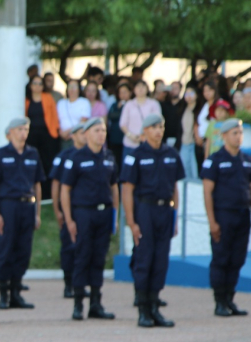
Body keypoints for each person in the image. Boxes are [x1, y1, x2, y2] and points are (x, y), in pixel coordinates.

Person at [120, 115, 183, 327]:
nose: (158, 131)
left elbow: (175, 188)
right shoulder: (136, 155)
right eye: (154, 127)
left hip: (165, 210)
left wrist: (175, 217)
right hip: (145, 210)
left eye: (161, 127)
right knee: (144, 259)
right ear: (145, 130)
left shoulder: (171, 154)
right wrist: (131, 221)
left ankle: (155, 307)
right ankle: (143, 310)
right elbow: (127, 190)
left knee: (161, 260)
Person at [60, 118, 120, 321]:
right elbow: (65, 190)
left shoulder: (109, 157)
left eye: (103, 130)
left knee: (99, 258)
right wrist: (69, 219)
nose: (101, 134)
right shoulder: (76, 158)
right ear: (86, 134)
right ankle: (78, 304)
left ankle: (96, 303)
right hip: (83, 214)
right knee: (82, 257)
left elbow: (114, 187)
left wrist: (115, 215)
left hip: (104, 213)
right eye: (96, 130)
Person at [201, 118, 251, 316]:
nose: (238, 137)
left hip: (242, 215)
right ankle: (219, 301)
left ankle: (230, 299)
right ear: (224, 136)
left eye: (240, 133)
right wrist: (212, 222)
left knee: (237, 259)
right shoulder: (214, 160)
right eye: (234, 133)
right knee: (221, 259)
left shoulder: (246, 160)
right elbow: (207, 192)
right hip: (223, 215)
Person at [0, 118, 44, 309]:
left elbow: (37, 184)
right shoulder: (0, 154)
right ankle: (4, 293)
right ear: (10, 132)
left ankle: (16, 292)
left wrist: (37, 213)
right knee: (6, 248)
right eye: (20, 129)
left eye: (26, 129)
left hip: (28, 206)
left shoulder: (33, 153)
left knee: (23, 249)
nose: (23, 133)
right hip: (8, 206)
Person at [50, 122, 87, 298]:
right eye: (81, 133)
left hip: (87, 209)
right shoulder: (64, 156)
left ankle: (82, 283)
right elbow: (56, 184)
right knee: (69, 247)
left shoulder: (94, 155)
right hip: (69, 209)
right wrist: (57, 209)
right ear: (72, 136)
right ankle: (68, 283)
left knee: (86, 248)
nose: (84, 136)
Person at [25, 75, 60, 191]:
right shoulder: (26, 100)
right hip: (31, 136)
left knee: (47, 162)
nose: (37, 86)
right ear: (30, 86)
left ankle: (47, 191)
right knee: (33, 161)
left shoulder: (48, 97)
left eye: (40, 84)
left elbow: (54, 116)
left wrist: (55, 130)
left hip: (47, 135)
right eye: (35, 83)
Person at [120, 80, 161, 151]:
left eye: (143, 86)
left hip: (148, 143)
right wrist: (131, 136)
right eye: (138, 86)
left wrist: (146, 136)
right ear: (134, 89)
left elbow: (158, 122)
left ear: (147, 89)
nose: (140, 89)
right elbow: (123, 124)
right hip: (130, 143)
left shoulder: (154, 104)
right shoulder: (129, 104)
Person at [57, 79, 92, 149]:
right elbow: (56, 120)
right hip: (63, 139)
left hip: (78, 137)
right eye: (70, 86)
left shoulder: (84, 102)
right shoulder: (61, 103)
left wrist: (68, 133)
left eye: (74, 87)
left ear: (79, 89)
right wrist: (61, 133)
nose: (72, 89)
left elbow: (83, 121)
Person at [107, 82, 131, 165]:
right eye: (120, 93)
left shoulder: (134, 105)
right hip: (116, 139)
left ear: (130, 92)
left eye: (125, 92)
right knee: (116, 161)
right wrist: (119, 109)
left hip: (130, 139)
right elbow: (110, 116)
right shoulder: (114, 105)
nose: (123, 95)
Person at [178, 86, 199, 178]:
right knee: (184, 171)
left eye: (191, 93)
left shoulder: (200, 109)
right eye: (186, 94)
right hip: (184, 144)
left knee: (195, 172)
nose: (189, 96)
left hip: (195, 145)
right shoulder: (182, 109)